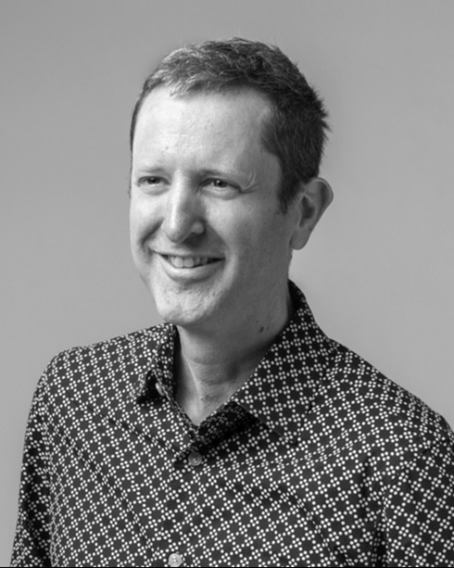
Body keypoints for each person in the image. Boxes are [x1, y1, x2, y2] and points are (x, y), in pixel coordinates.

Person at [11, 38, 454, 567]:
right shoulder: (73, 399)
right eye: (153, 180)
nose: (177, 224)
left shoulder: (402, 455)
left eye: (218, 184)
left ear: (303, 212)